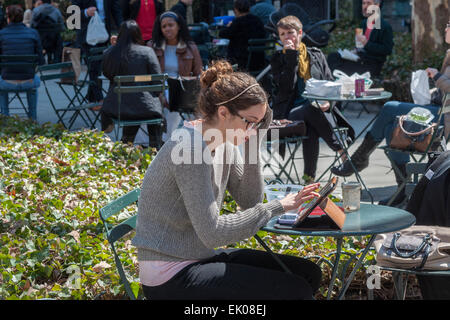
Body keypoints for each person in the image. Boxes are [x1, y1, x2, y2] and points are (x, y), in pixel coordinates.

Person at [131, 59, 322, 300]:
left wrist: (254, 142)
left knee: (308, 273)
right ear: (223, 112)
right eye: (250, 122)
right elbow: (212, 233)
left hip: (198, 257)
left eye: (260, 123)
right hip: (170, 275)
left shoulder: (224, 141)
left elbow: (250, 200)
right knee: (296, 291)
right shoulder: (190, 148)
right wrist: (279, 205)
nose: (254, 129)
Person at [331, 20, 450, 207]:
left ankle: (358, 159)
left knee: (390, 107)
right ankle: (402, 190)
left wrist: (436, 76)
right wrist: (429, 92)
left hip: (445, 117)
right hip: (436, 108)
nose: (445, 28)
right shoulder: (449, 53)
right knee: (390, 129)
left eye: (448, 25)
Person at [271, 15, 354, 182]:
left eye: (290, 33)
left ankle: (309, 179)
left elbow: (331, 86)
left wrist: (328, 103)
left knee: (311, 124)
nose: (287, 37)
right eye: (282, 34)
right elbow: (285, 88)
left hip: (319, 112)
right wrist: (291, 57)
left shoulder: (316, 55)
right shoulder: (278, 59)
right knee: (310, 109)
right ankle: (341, 152)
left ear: (300, 33)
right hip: (288, 114)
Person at [100, 20, 163, 148]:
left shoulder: (109, 53)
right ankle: (155, 147)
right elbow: (158, 81)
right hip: (147, 108)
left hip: (117, 108)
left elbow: (107, 74)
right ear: (138, 35)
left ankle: (125, 145)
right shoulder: (147, 52)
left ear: (120, 35)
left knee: (130, 105)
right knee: (147, 106)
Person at [149, 11, 203, 142]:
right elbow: (148, 74)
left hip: (183, 88)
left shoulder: (190, 47)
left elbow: (199, 73)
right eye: (164, 26)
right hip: (159, 89)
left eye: (171, 25)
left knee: (200, 105)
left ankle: (197, 140)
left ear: (178, 26)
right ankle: (166, 141)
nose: (167, 28)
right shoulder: (152, 47)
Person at [72, 0, 123, 105]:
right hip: (88, 35)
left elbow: (116, 10)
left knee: (98, 68)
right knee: (93, 67)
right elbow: (73, 13)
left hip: (103, 34)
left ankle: (92, 99)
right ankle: (98, 99)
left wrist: (123, 28)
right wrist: (86, 12)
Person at [327, 0, 393, 77]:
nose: (365, 6)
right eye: (363, 3)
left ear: (377, 5)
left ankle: (335, 81)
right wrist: (355, 51)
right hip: (359, 58)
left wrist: (367, 43)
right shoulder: (364, 23)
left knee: (338, 67)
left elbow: (387, 50)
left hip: (371, 64)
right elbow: (360, 45)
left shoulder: (385, 26)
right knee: (333, 56)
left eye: (368, 3)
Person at [0, 5, 44, 121]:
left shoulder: (2, 34)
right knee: (34, 82)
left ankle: (5, 116)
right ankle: (32, 118)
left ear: (8, 18)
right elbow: (41, 61)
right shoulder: (33, 33)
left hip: (6, 82)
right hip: (28, 81)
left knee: (1, 86)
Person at [218, 0, 266, 71]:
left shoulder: (238, 22)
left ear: (236, 10)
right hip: (259, 60)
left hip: (241, 62)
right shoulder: (258, 20)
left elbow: (222, 34)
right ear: (249, 9)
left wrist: (228, 26)